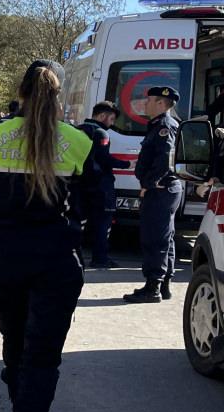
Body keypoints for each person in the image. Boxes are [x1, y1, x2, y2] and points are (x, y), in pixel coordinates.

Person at [0, 60, 93, 412]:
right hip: (55, 255)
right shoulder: (79, 142)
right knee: (42, 353)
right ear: (59, 96)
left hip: (5, 253)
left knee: (14, 338)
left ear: (20, 93)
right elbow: (94, 203)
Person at [124, 86, 182, 303]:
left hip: (160, 190)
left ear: (160, 103)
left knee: (154, 238)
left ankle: (153, 288)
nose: (144, 104)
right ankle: (164, 284)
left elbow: (167, 157)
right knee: (165, 236)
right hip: (166, 189)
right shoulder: (162, 125)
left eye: (149, 100)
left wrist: (149, 183)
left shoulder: (164, 126)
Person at [76, 100, 120, 269]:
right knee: (103, 223)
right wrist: (126, 165)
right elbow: (103, 158)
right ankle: (100, 258)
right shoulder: (101, 133)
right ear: (102, 116)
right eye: (111, 119)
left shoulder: (78, 129)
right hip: (100, 185)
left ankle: (75, 255)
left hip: (80, 184)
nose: (112, 123)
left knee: (79, 222)